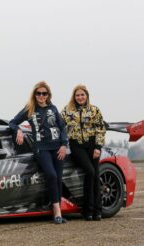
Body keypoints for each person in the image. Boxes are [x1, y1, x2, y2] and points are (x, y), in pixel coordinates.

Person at [9, 81, 68, 224]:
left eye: (44, 93)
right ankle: (57, 211)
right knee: (51, 175)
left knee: (58, 178)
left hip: (57, 148)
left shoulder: (53, 108)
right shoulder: (30, 109)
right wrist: (18, 130)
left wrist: (64, 145)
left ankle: (57, 210)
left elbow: (62, 127)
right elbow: (12, 122)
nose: (41, 96)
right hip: (41, 149)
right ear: (34, 95)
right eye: (38, 93)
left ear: (48, 95)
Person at [61, 84, 106, 221]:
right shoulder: (67, 111)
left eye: (82, 95)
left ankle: (97, 211)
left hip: (92, 145)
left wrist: (98, 147)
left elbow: (100, 129)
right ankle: (87, 209)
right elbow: (58, 124)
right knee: (90, 172)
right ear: (74, 97)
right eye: (77, 95)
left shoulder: (94, 110)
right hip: (77, 146)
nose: (80, 97)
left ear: (87, 96)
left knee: (95, 174)